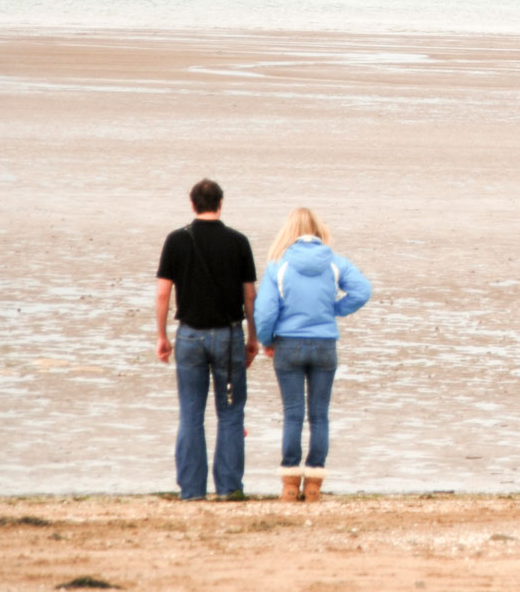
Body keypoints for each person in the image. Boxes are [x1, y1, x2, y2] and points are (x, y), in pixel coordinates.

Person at [255, 207, 372, 503]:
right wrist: (334, 310)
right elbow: (362, 291)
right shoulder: (334, 262)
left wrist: (266, 340)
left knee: (293, 415)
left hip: (288, 345)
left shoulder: (277, 265)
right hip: (324, 345)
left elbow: (266, 311)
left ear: (289, 231)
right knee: (319, 416)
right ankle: (314, 485)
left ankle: (290, 485)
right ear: (319, 230)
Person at [154, 178, 258, 501]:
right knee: (230, 413)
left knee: (190, 413)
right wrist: (253, 336)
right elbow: (250, 296)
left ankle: (192, 490)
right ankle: (228, 488)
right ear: (221, 204)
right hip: (228, 336)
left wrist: (162, 336)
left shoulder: (176, 240)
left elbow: (162, 294)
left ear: (192, 204)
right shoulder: (238, 242)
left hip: (189, 335)